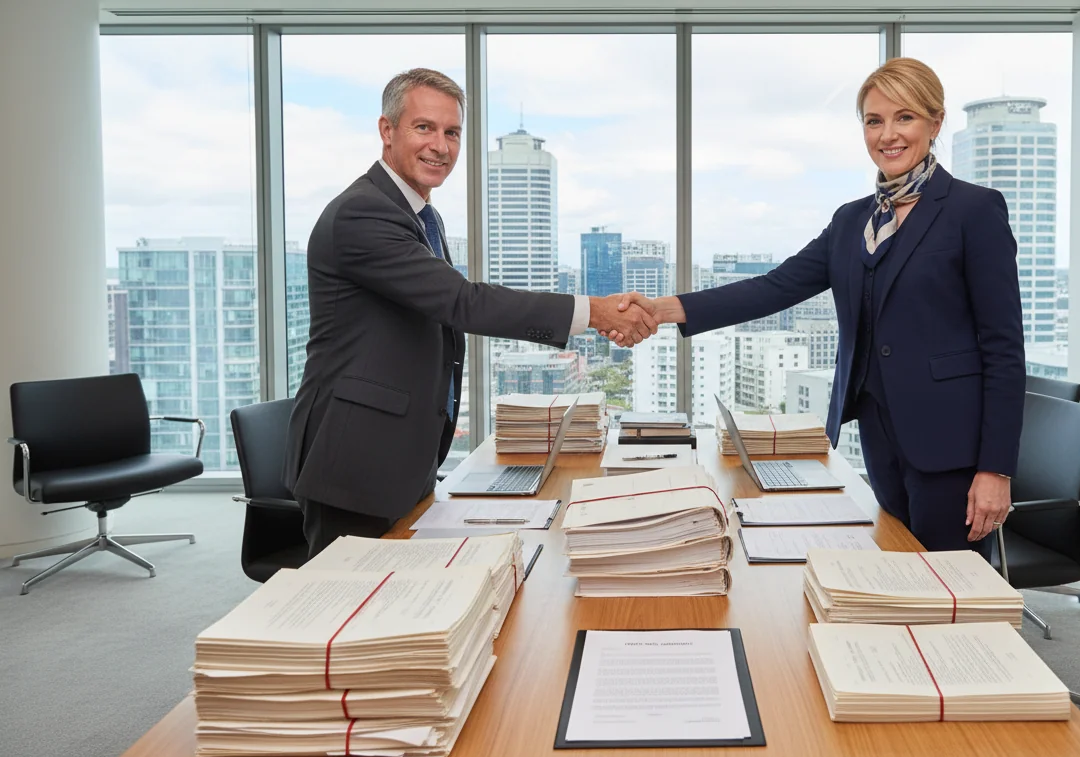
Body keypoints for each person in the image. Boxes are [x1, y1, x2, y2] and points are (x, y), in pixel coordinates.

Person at [619, 58, 1024, 554]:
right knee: (898, 570)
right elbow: (773, 287)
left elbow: (1004, 349)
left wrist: (996, 468)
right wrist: (662, 310)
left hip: (950, 446)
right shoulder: (852, 220)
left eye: (905, 117)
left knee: (948, 593)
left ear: (935, 123)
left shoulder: (973, 210)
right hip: (879, 435)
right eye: (874, 121)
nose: (888, 135)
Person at [284, 68, 657, 558]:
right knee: (345, 613)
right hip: (356, 460)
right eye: (424, 128)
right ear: (386, 130)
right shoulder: (363, 213)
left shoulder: (420, 214)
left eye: (452, 132)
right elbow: (462, 303)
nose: (440, 146)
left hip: (399, 453)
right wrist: (595, 311)